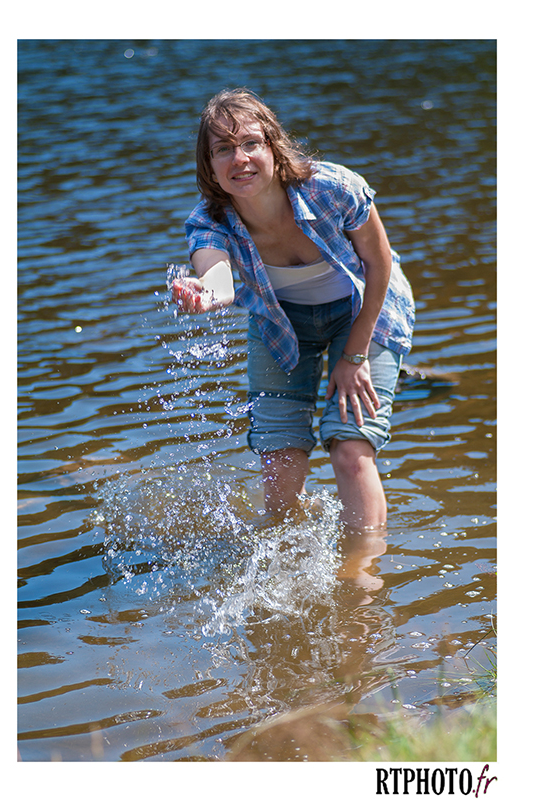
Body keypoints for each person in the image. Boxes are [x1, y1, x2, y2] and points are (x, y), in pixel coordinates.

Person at [172, 88, 414, 535]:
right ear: (209, 166)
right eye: (223, 149)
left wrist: (354, 356)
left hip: (365, 310)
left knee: (349, 446)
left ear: (272, 146)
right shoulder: (209, 221)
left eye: (250, 143)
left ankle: (360, 581)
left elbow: (380, 265)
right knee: (280, 459)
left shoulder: (332, 188)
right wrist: (205, 293)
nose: (239, 158)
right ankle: (290, 560)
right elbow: (218, 277)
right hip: (282, 324)